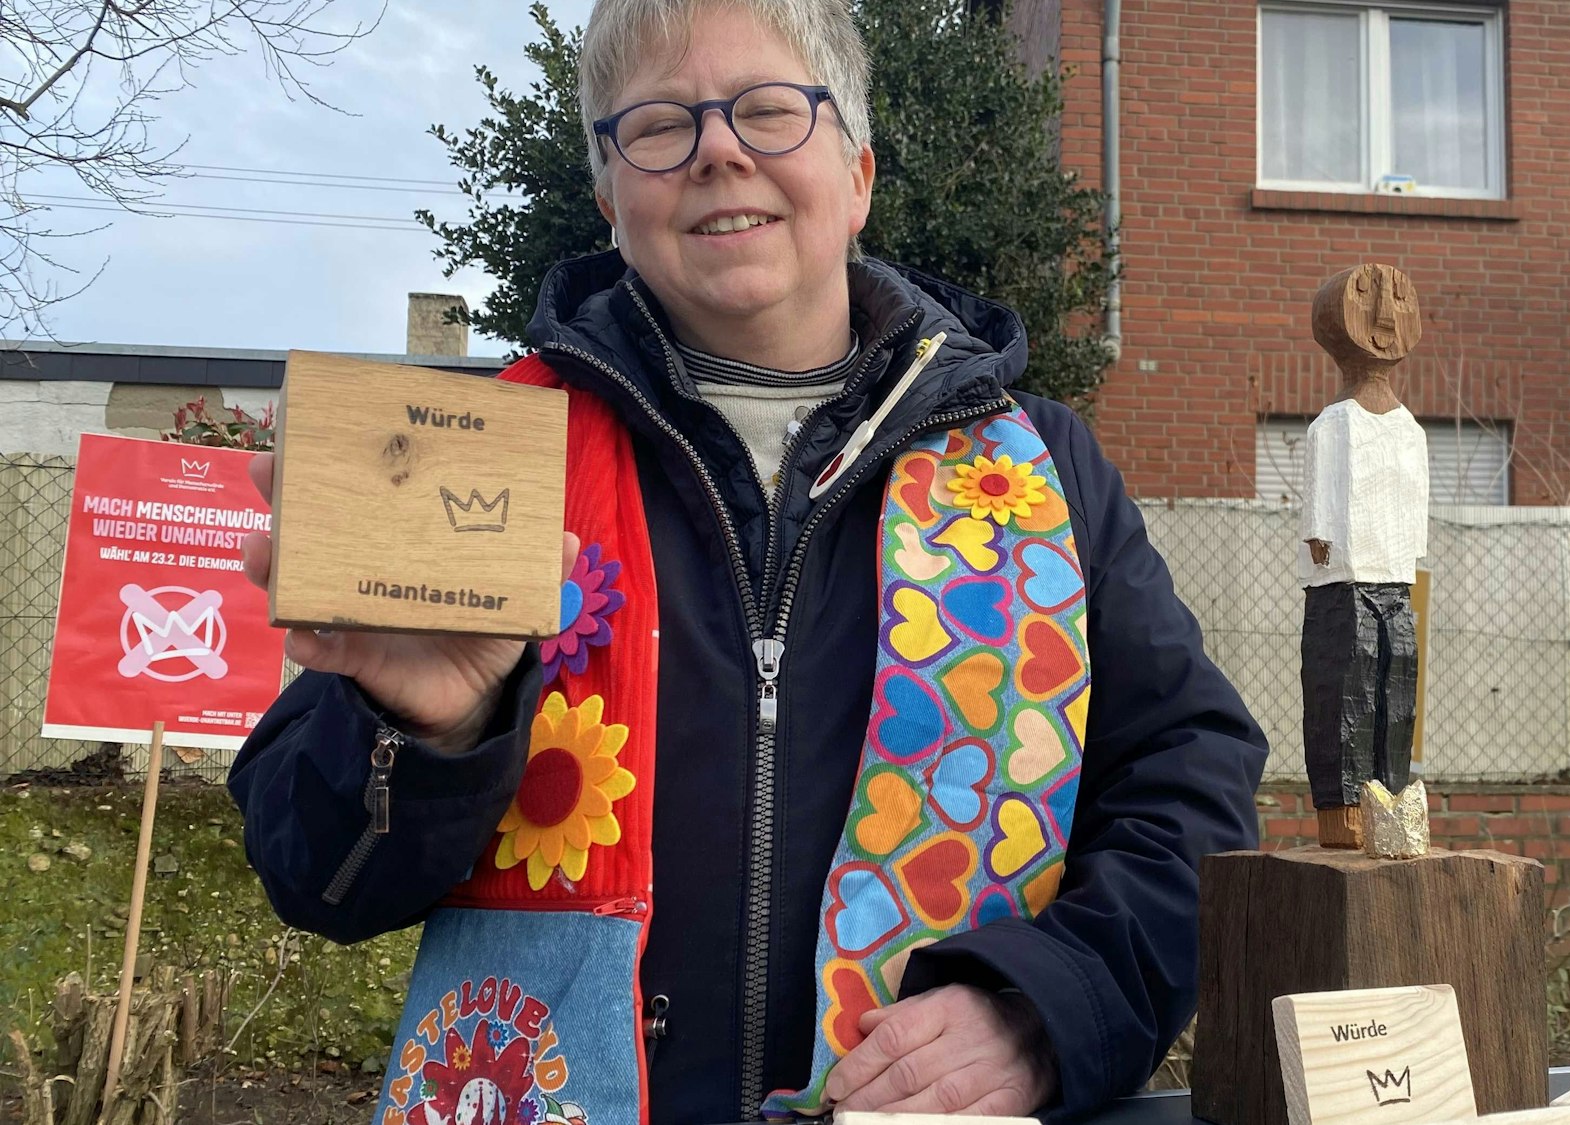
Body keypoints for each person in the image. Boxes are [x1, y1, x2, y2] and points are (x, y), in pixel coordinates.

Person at [228, 0, 1267, 1121]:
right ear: (609, 197)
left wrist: (1043, 1011)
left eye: (770, 112)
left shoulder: (1041, 469)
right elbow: (312, 873)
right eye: (662, 126)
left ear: (857, 173)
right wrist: (428, 735)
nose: (720, 149)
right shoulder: (483, 464)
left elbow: (1186, 787)